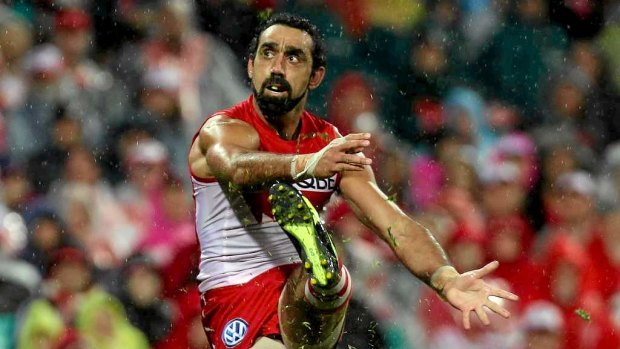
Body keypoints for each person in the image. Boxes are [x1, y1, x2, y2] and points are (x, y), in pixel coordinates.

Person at [187, 13, 518, 349]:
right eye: (267, 53)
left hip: (300, 292)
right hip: (237, 288)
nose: (277, 67)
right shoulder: (224, 129)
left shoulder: (330, 143)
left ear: (316, 77)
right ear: (250, 67)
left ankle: (322, 273)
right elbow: (235, 167)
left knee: (328, 280)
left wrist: (445, 278)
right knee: (326, 292)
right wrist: (308, 163)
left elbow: (395, 225)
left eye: (293, 57)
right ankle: (324, 279)